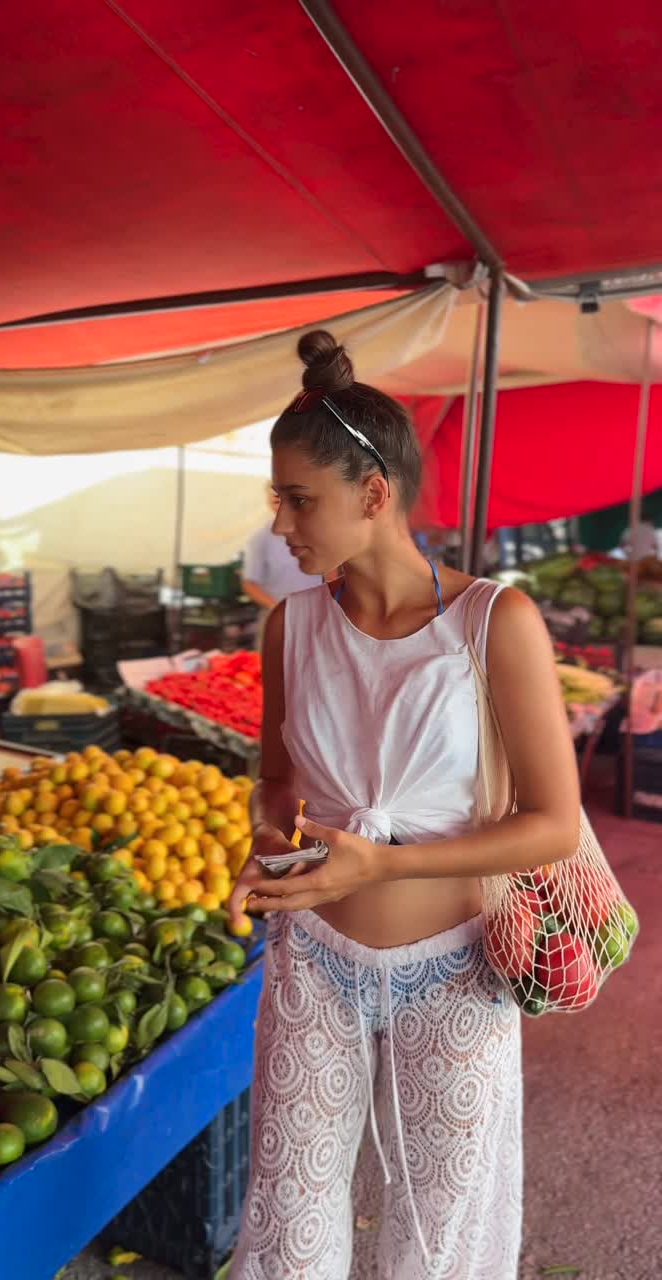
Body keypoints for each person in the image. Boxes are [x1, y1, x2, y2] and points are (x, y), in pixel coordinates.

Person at [229, 330, 580, 1280]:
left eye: (299, 500)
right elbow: (276, 782)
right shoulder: (289, 625)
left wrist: (382, 863)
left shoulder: (493, 623)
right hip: (316, 964)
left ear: (373, 494)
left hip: (455, 972)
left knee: (438, 1234)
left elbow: (550, 820)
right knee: (290, 1215)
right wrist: (269, 849)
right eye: (279, 499)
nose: (283, 525)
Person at [242, 485, 316, 644]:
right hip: (278, 619)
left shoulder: (322, 533)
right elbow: (250, 583)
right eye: (276, 497)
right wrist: (279, 608)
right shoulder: (260, 539)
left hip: (319, 618)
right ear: (269, 501)